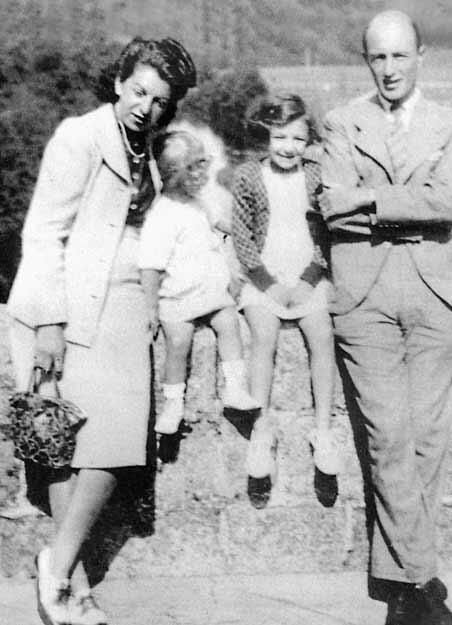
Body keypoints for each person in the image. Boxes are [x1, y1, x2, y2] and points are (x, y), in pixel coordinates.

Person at [7, 37, 196, 625]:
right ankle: (71, 583)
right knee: (69, 447)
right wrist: (49, 323)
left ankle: (58, 571)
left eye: (161, 100)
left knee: (112, 447)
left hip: (120, 307)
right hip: (68, 308)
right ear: (118, 83)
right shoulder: (79, 136)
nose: (146, 106)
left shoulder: (148, 148)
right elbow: (42, 233)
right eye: (138, 91)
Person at [319, 10, 452, 625]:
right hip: (364, 297)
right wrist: (398, 207)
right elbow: (332, 209)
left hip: (435, 295)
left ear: (420, 55)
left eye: (399, 57)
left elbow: (447, 201)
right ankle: (425, 585)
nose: (388, 70)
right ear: (366, 61)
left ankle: (402, 595)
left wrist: (369, 199)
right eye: (377, 58)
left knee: (427, 442)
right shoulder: (340, 121)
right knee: (386, 440)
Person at [232, 93, 339, 506]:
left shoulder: (315, 175)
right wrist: (268, 283)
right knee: (263, 338)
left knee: (322, 338)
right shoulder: (248, 176)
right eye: (280, 137)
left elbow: (328, 230)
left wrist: (311, 277)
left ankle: (324, 432)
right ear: (266, 136)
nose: (288, 147)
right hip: (264, 279)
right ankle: (262, 433)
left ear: (308, 139)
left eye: (297, 138)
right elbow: (242, 236)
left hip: (308, 277)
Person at [139, 130, 258, 435]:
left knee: (229, 324)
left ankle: (235, 388)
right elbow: (151, 265)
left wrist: (245, 233)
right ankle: (173, 403)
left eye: (202, 164)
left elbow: (221, 222)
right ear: (172, 174)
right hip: (178, 299)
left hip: (211, 294)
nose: (202, 173)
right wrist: (150, 308)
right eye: (193, 167)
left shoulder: (199, 202)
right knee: (177, 344)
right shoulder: (162, 215)